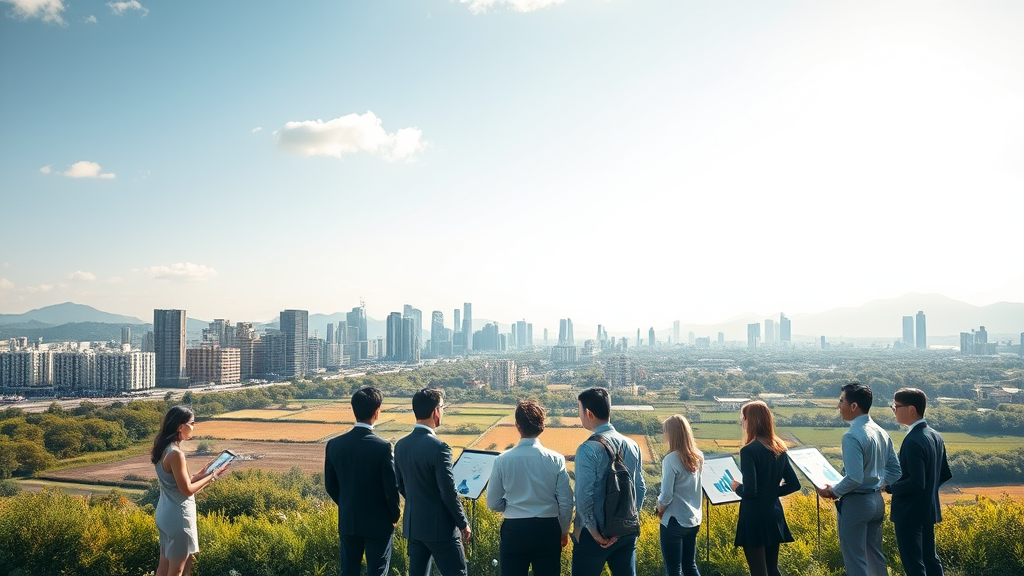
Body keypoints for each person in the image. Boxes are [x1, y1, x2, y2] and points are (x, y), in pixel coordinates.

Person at [816, 383, 901, 576]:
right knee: (875, 557)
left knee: (856, 562)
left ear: (854, 406)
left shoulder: (852, 436)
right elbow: (896, 471)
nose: (839, 406)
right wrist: (879, 483)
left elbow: (854, 477)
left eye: (841, 401)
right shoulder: (881, 432)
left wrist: (833, 491)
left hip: (856, 504)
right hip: (876, 502)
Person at [486, 400, 573, 576]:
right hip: (548, 528)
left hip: (515, 530)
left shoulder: (502, 460)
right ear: (542, 426)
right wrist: (563, 531)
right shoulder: (555, 459)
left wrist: (511, 505)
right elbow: (566, 501)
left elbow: (493, 503)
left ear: (517, 426)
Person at [325, 387, 401, 576]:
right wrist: (394, 515)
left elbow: (331, 485)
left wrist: (346, 503)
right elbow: (391, 489)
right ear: (377, 412)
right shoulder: (382, 447)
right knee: (377, 572)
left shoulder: (334, 445)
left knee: (348, 572)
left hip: (349, 520)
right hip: (379, 522)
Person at [394, 388, 471, 576]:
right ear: (436, 411)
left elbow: (401, 485)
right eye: (442, 407)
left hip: (414, 526)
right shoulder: (440, 448)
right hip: (441, 529)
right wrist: (462, 522)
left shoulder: (401, 445)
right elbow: (448, 491)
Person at [572, 387, 647, 576]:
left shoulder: (587, 449)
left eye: (579, 410)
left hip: (594, 534)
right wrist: (626, 521)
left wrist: (595, 533)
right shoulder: (632, 445)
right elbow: (640, 487)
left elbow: (583, 498)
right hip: (625, 533)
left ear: (588, 413)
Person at [151, 405, 228, 576]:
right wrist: (213, 475)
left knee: (163, 566)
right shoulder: (176, 454)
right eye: (192, 423)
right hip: (179, 517)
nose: (194, 427)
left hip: (165, 514)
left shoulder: (163, 448)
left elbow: (178, 483)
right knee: (177, 570)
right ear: (180, 427)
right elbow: (186, 491)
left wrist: (201, 475)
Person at [885, 388, 953, 576]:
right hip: (927, 509)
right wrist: (928, 493)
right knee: (930, 560)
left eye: (896, 406)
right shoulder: (934, 436)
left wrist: (890, 487)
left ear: (911, 410)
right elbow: (945, 474)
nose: (894, 410)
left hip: (909, 512)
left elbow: (916, 481)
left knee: (914, 564)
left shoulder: (913, 440)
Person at [729, 401, 801, 576]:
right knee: (771, 568)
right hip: (773, 512)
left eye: (743, 418)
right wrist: (770, 492)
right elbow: (794, 484)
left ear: (751, 421)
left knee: (758, 571)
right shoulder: (779, 447)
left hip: (754, 516)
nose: (742, 423)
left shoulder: (748, 451)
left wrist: (737, 487)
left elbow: (750, 491)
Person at [657, 415, 704, 576]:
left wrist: (659, 508)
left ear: (672, 434)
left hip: (674, 521)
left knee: (674, 570)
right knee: (690, 566)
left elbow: (666, 496)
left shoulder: (671, 459)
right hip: (693, 519)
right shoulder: (698, 456)